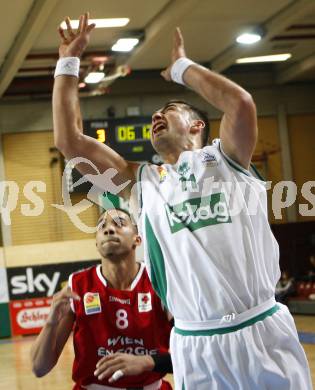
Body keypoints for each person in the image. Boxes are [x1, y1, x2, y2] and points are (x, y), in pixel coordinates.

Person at [53, 13, 312, 389]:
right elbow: (69, 141)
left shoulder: (228, 160)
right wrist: (68, 64)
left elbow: (241, 102)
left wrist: (181, 68)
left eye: (169, 110)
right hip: (195, 342)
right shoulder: (142, 181)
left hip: (262, 329)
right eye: (156, 114)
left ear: (196, 126)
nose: (157, 115)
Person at [31, 208, 173, 390]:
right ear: (97, 244)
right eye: (101, 226)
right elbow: (39, 368)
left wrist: (148, 361)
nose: (108, 229)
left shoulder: (159, 281)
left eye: (120, 223)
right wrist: (51, 322)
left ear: (137, 239)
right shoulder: (78, 286)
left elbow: (191, 354)